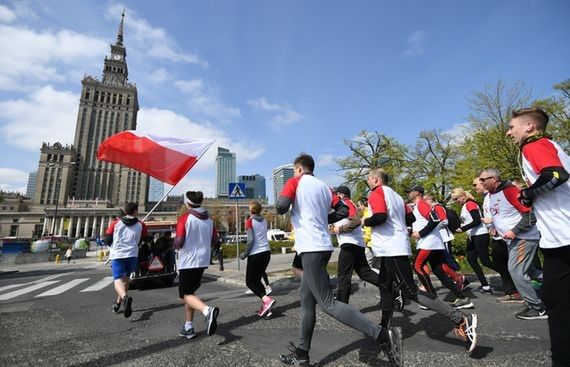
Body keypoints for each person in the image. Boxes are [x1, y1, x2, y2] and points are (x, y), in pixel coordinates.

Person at [276, 154, 400, 367]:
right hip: (323, 246)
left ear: (298, 169)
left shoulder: (295, 181)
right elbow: (342, 210)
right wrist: (322, 218)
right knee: (306, 300)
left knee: (328, 304)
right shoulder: (325, 188)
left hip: (311, 248)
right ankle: (302, 353)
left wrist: (290, 209)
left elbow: (281, 205)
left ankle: (380, 334)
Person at [363, 169, 478, 354]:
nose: (368, 182)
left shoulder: (376, 192)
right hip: (392, 247)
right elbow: (411, 218)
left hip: (391, 248)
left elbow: (380, 217)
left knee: (410, 291)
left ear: (375, 179)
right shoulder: (397, 197)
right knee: (385, 287)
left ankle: (460, 318)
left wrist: (365, 221)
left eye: (368, 179)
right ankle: (384, 329)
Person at [507, 107, 570, 366]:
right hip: (560, 239)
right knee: (557, 301)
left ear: (529, 127)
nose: (509, 131)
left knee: (557, 305)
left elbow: (555, 174)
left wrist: (528, 194)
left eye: (512, 126)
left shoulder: (533, 145)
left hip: (564, 237)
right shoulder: (549, 144)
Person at [479, 168, 545, 319]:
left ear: (494, 179)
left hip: (523, 238)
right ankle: (561, 283)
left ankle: (537, 307)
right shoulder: (492, 195)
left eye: (483, 180)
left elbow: (529, 216)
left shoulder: (510, 191)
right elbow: (502, 214)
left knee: (516, 271)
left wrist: (514, 231)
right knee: (530, 271)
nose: (481, 183)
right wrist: (495, 227)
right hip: (513, 240)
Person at [408, 186, 472, 309]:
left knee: (417, 266)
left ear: (416, 193)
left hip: (429, 243)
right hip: (432, 242)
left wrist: (420, 233)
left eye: (409, 192)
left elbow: (435, 219)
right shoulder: (418, 206)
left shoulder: (421, 204)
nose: (408, 194)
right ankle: (463, 298)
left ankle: (432, 298)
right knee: (439, 271)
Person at [174, 191, 220, 339]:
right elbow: (215, 240)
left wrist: (174, 243)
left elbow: (179, 242)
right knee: (190, 293)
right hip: (203, 260)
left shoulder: (185, 218)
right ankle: (188, 327)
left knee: (184, 295)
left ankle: (207, 311)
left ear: (188, 203)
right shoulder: (209, 220)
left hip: (188, 261)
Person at [330, 185, 380, 304]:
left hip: (349, 244)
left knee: (343, 275)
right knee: (365, 273)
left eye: (336, 195)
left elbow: (356, 221)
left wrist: (340, 229)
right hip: (357, 244)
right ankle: (392, 286)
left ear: (341, 195)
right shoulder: (345, 205)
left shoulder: (346, 203)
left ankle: (342, 304)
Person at [104, 202, 148, 318]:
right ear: (136, 211)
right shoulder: (141, 224)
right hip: (132, 254)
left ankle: (125, 298)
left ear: (125, 211)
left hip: (118, 254)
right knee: (126, 279)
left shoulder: (115, 223)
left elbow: (107, 239)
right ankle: (118, 303)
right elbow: (144, 238)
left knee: (118, 279)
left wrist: (113, 245)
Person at [450, 188, 495, 294]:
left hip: (480, 235)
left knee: (485, 261)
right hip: (473, 236)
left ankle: (507, 273)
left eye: (456, 199)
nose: (456, 201)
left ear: (462, 196)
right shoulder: (465, 206)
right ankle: (485, 286)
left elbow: (477, 220)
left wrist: (462, 229)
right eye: (453, 199)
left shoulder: (470, 203)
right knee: (471, 259)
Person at [424, 194, 468, 291]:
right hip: (440, 238)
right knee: (443, 260)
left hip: (444, 238)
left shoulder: (438, 207)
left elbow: (445, 221)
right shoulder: (434, 208)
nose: (424, 203)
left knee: (448, 260)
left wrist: (432, 228)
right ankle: (458, 278)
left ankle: (461, 278)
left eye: (425, 201)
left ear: (429, 199)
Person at [239, 201, 276, 317]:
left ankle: (267, 300)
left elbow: (250, 241)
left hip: (256, 254)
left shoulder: (250, 221)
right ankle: (267, 307)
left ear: (251, 210)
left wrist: (245, 254)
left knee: (250, 282)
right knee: (257, 280)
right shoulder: (264, 220)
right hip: (266, 253)